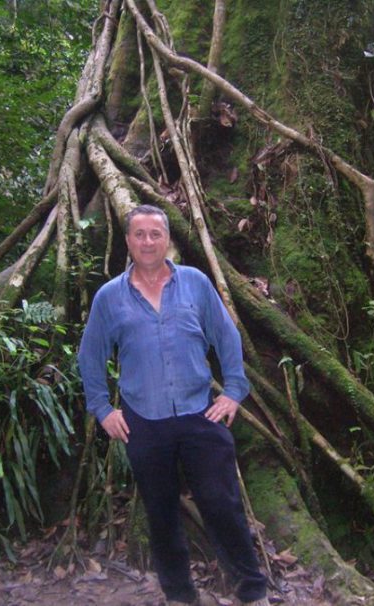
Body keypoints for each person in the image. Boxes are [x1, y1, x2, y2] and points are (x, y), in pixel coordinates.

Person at [78, 205, 269, 606]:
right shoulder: (109, 297)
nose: (148, 242)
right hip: (143, 423)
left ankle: (252, 592)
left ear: (168, 239)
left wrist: (233, 390)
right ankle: (181, 596)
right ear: (128, 241)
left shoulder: (195, 283)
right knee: (161, 514)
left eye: (155, 234)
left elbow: (226, 336)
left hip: (201, 413)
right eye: (139, 234)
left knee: (222, 505)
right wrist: (102, 408)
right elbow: (90, 355)